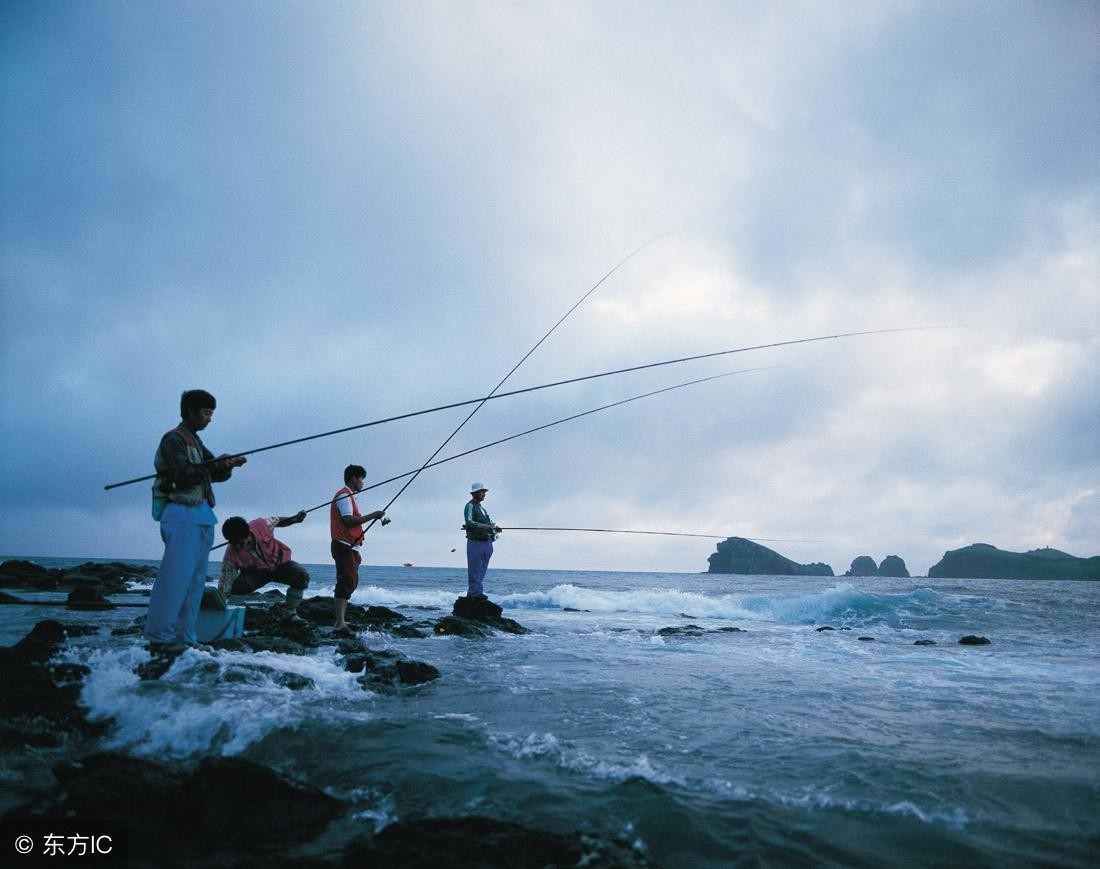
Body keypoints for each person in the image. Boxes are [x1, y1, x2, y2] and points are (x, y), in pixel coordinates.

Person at [146, 389, 246, 650]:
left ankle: (185, 638)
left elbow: (214, 474)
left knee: (194, 583)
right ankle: (160, 639)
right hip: (181, 513)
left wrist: (228, 465)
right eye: (205, 413)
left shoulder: (196, 442)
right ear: (190, 412)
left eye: (211, 414)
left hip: (201, 515)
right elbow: (184, 475)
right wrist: (217, 464)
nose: (209, 419)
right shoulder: (174, 439)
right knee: (175, 579)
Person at [218, 512, 310, 621]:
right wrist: (220, 604)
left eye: (241, 543)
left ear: (248, 533)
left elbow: (278, 521)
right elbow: (225, 584)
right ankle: (234, 616)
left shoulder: (261, 524)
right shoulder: (230, 556)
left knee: (301, 575)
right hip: (256, 574)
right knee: (238, 586)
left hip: (280, 565)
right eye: (235, 544)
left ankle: (289, 612)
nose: (238, 547)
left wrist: (295, 520)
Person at [330, 464, 385, 632]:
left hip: (350, 546)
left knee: (350, 582)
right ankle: (339, 623)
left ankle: (341, 621)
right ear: (354, 478)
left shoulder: (348, 496)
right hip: (344, 544)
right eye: (361, 479)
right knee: (346, 582)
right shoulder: (344, 495)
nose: (363, 483)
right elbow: (348, 521)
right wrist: (373, 515)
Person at [463, 482, 501, 599]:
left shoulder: (482, 509)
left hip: (487, 542)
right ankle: (474, 594)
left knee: (482, 569)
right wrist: (483, 526)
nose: (484, 494)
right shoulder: (470, 506)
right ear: (474, 493)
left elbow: (489, 523)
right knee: (474, 569)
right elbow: (469, 522)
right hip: (475, 542)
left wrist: (495, 528)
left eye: (484, 492)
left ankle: (476, 592)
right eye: (482, 492)